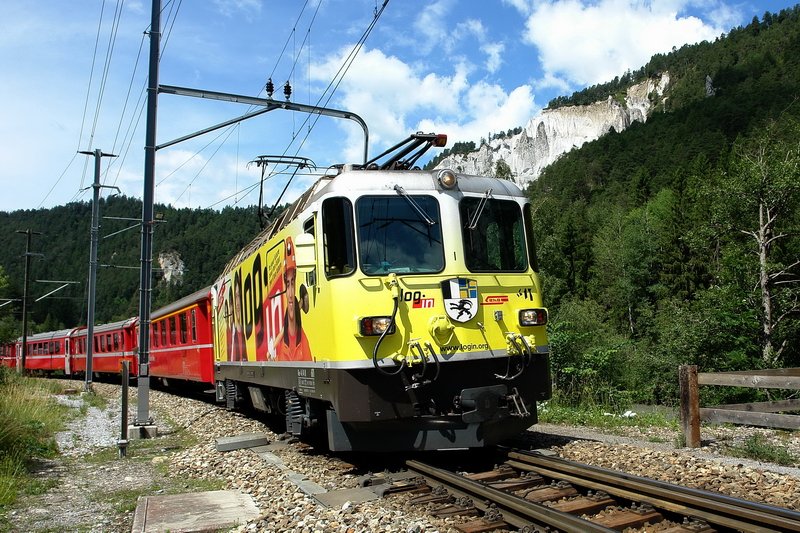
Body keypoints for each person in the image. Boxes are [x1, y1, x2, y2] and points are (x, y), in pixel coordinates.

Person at [276, 237, 311, 361]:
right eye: (287, 284)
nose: (290, 294)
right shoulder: (281, 345)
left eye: (292, 283)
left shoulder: (303, 341)